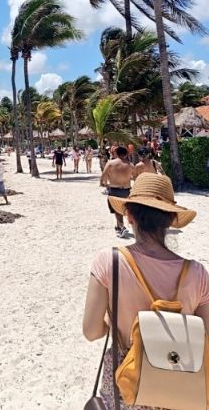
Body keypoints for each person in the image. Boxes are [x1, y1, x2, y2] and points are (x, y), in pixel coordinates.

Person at [82, 173, 205, 408]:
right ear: (170, 220)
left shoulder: (109, 261)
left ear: (128, 216)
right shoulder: (197, 273)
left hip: (127, 383)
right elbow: (205, 334)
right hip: (178, 386)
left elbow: (91, 331)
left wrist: (114, 321)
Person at [100, 146, 134, 238]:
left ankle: (122, 227)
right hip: (127, 190)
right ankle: (118, 226)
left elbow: (104, 174)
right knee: (123, 209)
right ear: (126, 154)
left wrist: (103, 183)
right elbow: (134, 177)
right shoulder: (130, 165)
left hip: (114, 189)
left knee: (116, 209)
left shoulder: (111, 163)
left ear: (117, 154)